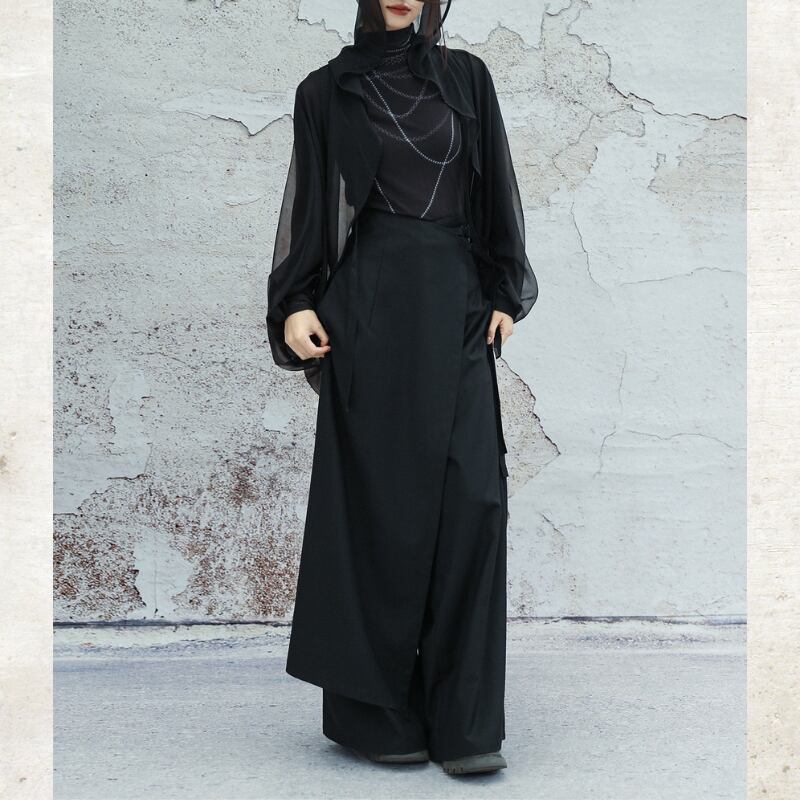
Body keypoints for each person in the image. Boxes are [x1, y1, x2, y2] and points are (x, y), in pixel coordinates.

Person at [266, 0, 538, 776]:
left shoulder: (466, 79)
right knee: (376, 510)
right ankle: (374, 713)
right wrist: (295, 304)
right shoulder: (325, 92)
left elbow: (495, 193)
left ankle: (465, 719)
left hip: (455, 304)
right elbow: (311, 212)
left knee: (473, 502)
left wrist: (503, 289)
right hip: (369, 312)